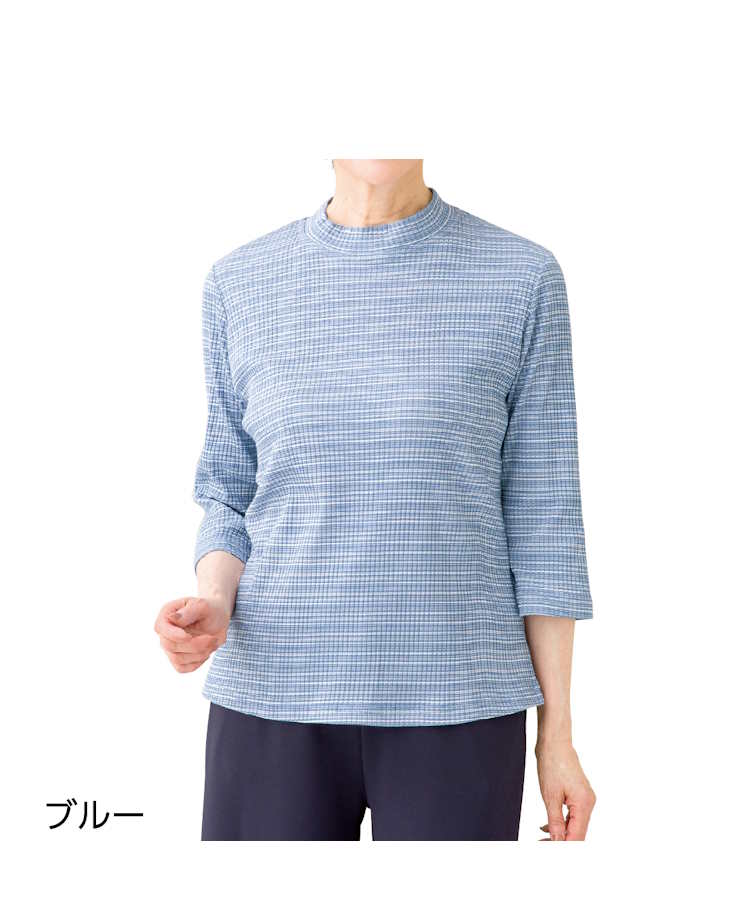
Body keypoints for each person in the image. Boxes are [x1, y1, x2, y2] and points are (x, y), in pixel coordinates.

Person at [154, 159, 596, 841]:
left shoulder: (520, 276)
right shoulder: (240, 281)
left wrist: (557, 736)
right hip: (272, 690)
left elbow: (545, 519)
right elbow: (228, 489)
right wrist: (213, 600)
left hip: (460, 700)